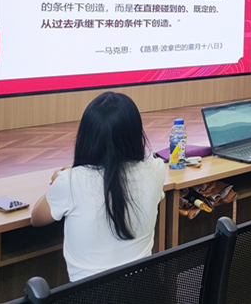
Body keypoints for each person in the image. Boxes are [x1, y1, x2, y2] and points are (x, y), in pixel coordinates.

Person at [30, 92, 166, 282]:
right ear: (135, 134)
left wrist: (62, 179)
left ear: (86, 137)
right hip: (145, 290)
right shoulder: (157, 169)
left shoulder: (70, 182)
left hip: (90, 295)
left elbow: (36, 218)